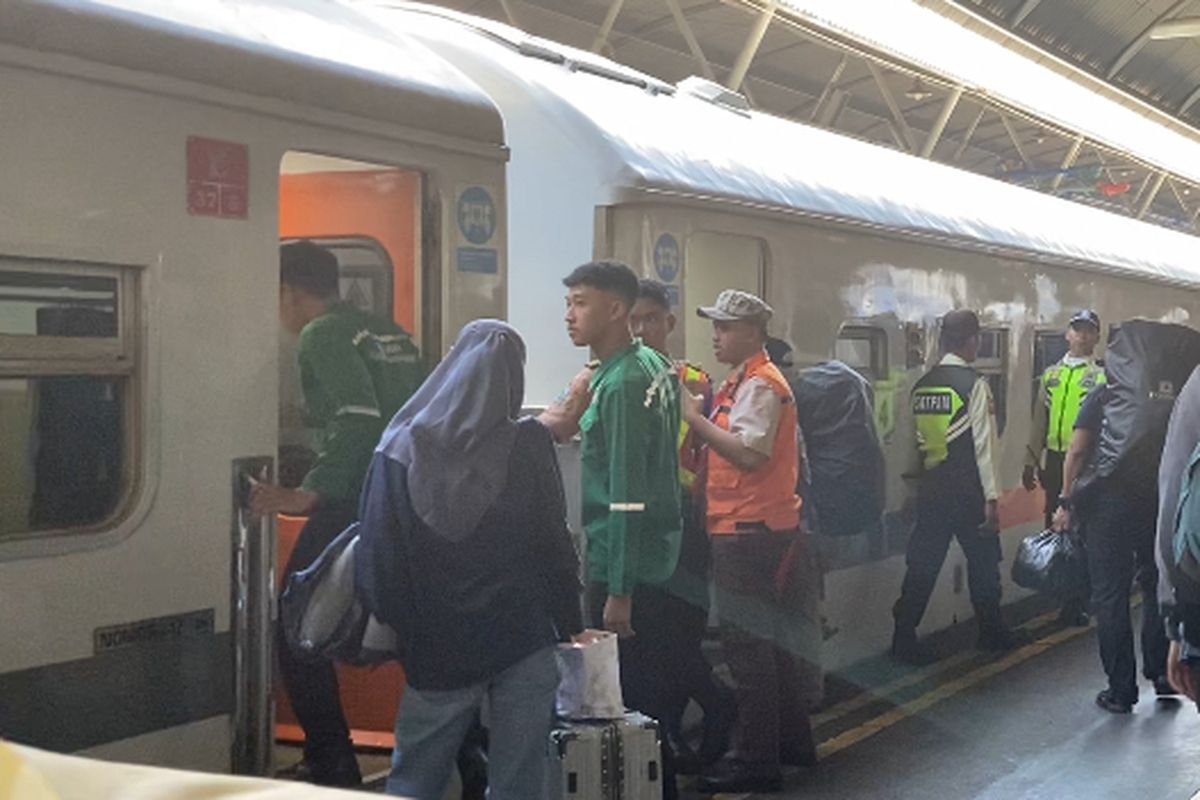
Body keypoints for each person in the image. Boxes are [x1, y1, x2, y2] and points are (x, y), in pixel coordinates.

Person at [355, 320, 585, 800]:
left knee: (417, 775)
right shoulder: (527, 444)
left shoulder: (398, 446)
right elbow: (554, 546)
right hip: (522, 637)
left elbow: (379, 556)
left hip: (438, 643)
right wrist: (568, 623)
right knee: (520, 778)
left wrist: (407, 633)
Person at [250, 240, 424, 786]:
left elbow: (356, 416)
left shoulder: (320, 333)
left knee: (297, 622)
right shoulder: (388, 331)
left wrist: (312, 491)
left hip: (355, 495)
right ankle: (461, 745)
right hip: (403, 491)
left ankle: (332, 759)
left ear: (287, 292)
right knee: (404, 621)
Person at [682, 289, 816, 794]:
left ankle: (756, 758)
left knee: (747, 650)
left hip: (748, 531)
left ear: (754, 333)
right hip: (761, 529)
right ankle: (793, 742)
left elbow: (750, 454)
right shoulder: (741, 383)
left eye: (725, 327)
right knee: (772, 647)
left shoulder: (759, 385)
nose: (716, 335)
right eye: (715, 326)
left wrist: (691, 417)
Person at [563, 261, 684, 800]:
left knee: (625, 699)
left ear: (616, 309)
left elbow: (627, 496)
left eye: (581, 302)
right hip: (651, 558)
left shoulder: (621, 383)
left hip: (624, 563)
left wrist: (619, 591)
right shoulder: (646, 363)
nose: (569, 315)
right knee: (650, 694)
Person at [892, 310, 1022, 666]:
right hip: (968, 494)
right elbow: (984, 446)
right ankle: (991, 633)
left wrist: (909, 491)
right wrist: (992, 499)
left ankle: (903, 636)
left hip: (931, 491)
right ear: (971, 341)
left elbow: (910, 445)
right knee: (983, 564)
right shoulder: (974, 386)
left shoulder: (922, 385)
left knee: (921, 566)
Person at [1054, 377, 1172, 712]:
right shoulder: (1168, 394)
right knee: (1154, 586)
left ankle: (1121, 691)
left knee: (1110, 595)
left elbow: (1077, 449)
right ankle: (1162, 673)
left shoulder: (1103, 394)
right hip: (1154, 502)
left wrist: (1065, 500)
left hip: (1106, 507)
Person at [1023, 310, 1104, 626]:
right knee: (1056, 528)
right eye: (1077, 330)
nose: (1082, 336)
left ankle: (1077, 601)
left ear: (1097, 337)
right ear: (1067, 335)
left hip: (1085, 463)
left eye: (1088, 331)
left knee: (1079, 531)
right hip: (1054, 461)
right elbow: (1038, 422)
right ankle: (1062, 593)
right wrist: (1030, 460)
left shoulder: (1100, 377)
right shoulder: (1051, 376)